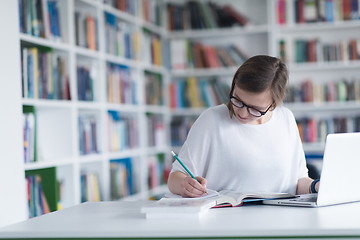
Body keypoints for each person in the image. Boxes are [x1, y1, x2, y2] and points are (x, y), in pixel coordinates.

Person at [168, 55, 320, 198]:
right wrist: (184, 185)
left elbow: (298, 181)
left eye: (254, 109)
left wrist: (317, 186)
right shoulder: (211, 120)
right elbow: (174, 178)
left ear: (273, 104)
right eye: (237, 100)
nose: (242, 112)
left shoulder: (286, 118)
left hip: (282, 219)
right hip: (226, 220)